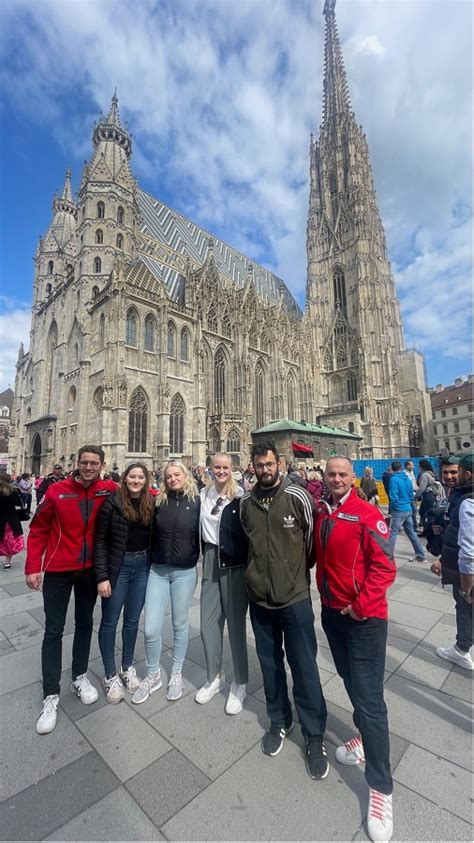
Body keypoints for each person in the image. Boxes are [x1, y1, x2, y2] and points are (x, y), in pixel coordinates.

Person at [314, 456, 396, 843]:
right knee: (351, 683)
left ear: (352, 477)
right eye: (330, 474)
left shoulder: (366, 513)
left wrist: (359, 605)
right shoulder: (324, 514)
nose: (335, 479)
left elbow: (386, 567)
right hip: (333, 614)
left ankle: (381, 789)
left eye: (342, 474)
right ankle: (363, 738)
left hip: (364, 618)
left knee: (370, 700)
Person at [240, 441, 328, 779]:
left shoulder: (298, 496)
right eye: (259, 465)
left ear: (280, 463)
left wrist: (291, 573)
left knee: (304, 666)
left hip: (294, 597)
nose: (264, 469)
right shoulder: (246, 502)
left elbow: (310, 547)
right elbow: (246, 541)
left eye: (269, 464)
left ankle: (314, 735)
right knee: (269, 663)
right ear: (253, 466)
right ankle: (279, 720)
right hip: (259, 597)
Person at [25, 445, 117, 735]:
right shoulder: (57, 490)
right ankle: (51, 694)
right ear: (78, 464)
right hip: (58, 570)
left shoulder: (108, 490)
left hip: (90, 570)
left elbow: (138, 491)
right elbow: (38, 529)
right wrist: (31, 566)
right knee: (53, 630)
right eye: (84, 462)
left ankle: (79, 675)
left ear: (102, 465)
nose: (89, 467)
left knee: (85, 623)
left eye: (94, 463)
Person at [132, 461, 200, 704]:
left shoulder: (197, 502)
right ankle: (153, 675)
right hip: (158, 571)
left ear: (185, 475)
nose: (173, 479)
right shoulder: (157, 501)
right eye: (169, 476)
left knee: (180, 625)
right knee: (150, 628)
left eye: (177, 474)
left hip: (184, 572)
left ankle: (177, 673)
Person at [93, 463, 155, 703]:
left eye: (141, 477)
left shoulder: (151, 502)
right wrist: (102, 577)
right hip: (118, 568)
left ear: (146, 479)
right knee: (109, 621)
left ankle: (126, 667)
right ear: (125, 478)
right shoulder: (112, 503)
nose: (136, 481)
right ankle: (109, 674)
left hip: (142, 567)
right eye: (132, 476)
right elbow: (100, 541)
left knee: (131, 621)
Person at [195, 452, 249, 714]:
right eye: (216, 467)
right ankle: (214, 676)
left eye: (225, 467)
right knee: (207, 625)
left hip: (234, 563)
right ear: (210, 469)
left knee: (236, 626)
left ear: (232, 468)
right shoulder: (202, 495)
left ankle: (240, 682)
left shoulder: (241, 497)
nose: (220, 471)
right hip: (209, 559)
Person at [432, 454, 474, 671]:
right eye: (446, 472)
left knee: (464, 603)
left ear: (465, 473)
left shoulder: (465, 498)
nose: (449, 476)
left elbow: (465, 541)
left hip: (464, 565)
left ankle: (461, 649)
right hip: (454, 558)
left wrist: (467, 580)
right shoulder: (456, 494)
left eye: (454, 472)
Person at [388, 461, 426, 563]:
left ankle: (388, 558)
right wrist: (408, 502)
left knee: (392, 533)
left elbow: (393, 496)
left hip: (399, 509)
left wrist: (393, 508)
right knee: (411, 533)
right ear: (401, 468)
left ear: (392, 469)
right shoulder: (407, 479)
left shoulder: (394, 479)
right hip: (407, 508)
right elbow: (411, 494)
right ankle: (421, 555)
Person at [0, 474, 25, 570]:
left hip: (0, 518)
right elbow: (19, 503)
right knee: (10, 541)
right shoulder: (14, 491)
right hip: (11, 520)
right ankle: (7, 563)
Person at [417, 459, 443, 533]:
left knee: (428, 513)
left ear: (422, 466)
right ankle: (427, 529)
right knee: (424, 512)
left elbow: (422, 487)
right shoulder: (432, 473)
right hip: (431, 495)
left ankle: (429, 530)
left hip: (427, 495)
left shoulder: (425, 475)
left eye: (419, 466)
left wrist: (416, 496)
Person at [403, 460, 419, 528]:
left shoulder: (411, 472)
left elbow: (414, 482)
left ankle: (413, 525)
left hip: (414, 494)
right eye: (412, 465)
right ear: (407, 466)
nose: (413, 466)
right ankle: (414, 526)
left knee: (414, 511)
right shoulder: (404, 474)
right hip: (409, 495)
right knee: (413, 510)